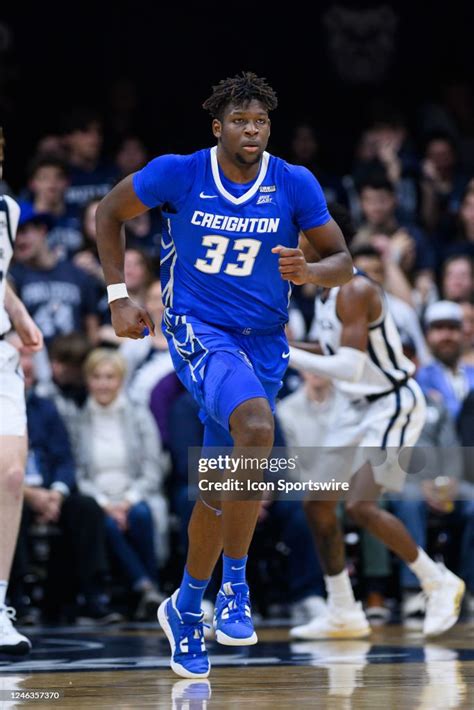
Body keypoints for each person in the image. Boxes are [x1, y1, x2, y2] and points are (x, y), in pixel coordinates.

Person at [95, 72, 352, 678]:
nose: (252, 130)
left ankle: (187, 607)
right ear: (219, 128)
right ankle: (234, 587)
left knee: (219, 487)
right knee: (258, 427)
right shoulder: (179, 173)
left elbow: (342, 260)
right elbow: (109, 211)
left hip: (264, 343)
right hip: (198, 329)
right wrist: (117, 296)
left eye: (261, 121)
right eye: (240, 120)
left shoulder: (294, 182)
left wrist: (311, 273)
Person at [287, 251, 465, 640]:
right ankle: (342, 610)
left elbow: (349, 365)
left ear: (317, 238)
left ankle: (438, 582)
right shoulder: (323, 292)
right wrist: (288, 344)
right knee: (316, 505)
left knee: (361, 506)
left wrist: (285, 354)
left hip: (391, 403)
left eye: (295, 232)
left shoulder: (355, 288)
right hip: (352, 407)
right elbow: (334, 352)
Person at [69, 348, 167, 620]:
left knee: (142, 514)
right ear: (88, 380)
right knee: (106, 523)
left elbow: (153, 467)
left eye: (109, 377)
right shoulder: (78, 420)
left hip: (135, 494)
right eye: (97, 377)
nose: (103, 383)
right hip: (98, 499)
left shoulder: (138, 416)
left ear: (120, 380)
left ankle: (147, 589)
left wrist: (128, 499)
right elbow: (79, 473)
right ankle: (148, 589)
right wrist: (105, 504)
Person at [0, 127, 44, 654]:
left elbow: (0, 274)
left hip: (1, 352)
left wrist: (18, 311)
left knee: (12, 475)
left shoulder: (8, 210)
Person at [416, 300, 474, 420]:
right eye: (439, 328)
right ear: (427, 335)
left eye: (452, 328)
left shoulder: (472, 373)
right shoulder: (420, 378)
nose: (446, 336)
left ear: (463, 333)